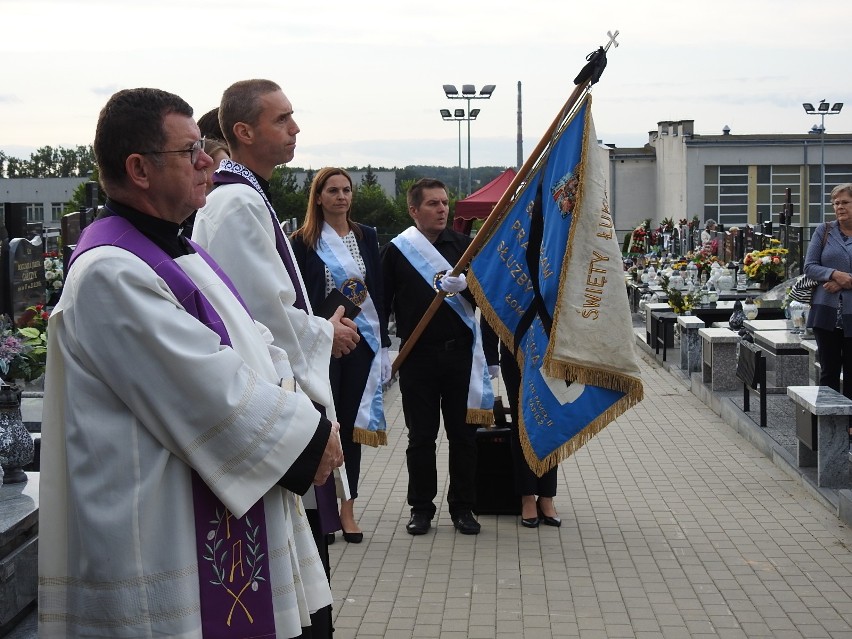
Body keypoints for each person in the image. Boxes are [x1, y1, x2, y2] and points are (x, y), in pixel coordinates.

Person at [38, 87, 343, 638]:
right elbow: (207, 386)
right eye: (190, 152)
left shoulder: (182, 252)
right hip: (158, 540)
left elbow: (259, 344)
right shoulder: (111, 271)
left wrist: (306, 416)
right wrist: (309, 437)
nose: (209, 161)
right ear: (140, 168)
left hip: (206, 510)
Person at [192, 79, 359, 637]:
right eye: (282, 119)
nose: (295, 129)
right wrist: (322, 335)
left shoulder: (250, 192)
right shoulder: (235, 200)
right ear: (243, 132)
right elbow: (258, 312)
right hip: (273, 396)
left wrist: (315, 329)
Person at [381, 178, 493, 536]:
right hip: (418, 357)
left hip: (460, 356)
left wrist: (470, 288)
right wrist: (383, 349)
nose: (442, 209)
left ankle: (464, 507)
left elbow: (487, 300)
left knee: (464, 436)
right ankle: (421, 508)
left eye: (445, 202)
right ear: (414, 210)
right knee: (421, 437)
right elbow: (381, 303)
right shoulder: (397, 251)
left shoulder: (464, 247)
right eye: (433, 204)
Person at [291, 167, 391, 544]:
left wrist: (381, 347)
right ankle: (322, 509)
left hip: (359, 344)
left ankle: (348, 507)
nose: (341, 196)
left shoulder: (367, 237)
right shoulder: (302, 242)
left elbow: (376, 293)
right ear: (318, 197)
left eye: (346, 190)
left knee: (349, 427)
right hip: (321, 344)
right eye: (332, 190)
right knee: (321, 426)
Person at [804, 183, 852, 398]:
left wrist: (845, 281)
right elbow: (810, 266)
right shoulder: (824, 231)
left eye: (845, 202)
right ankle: (827, 426)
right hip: (826, 314)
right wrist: (834, 274)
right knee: (828, 373)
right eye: (836, 203)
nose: (840, 207)